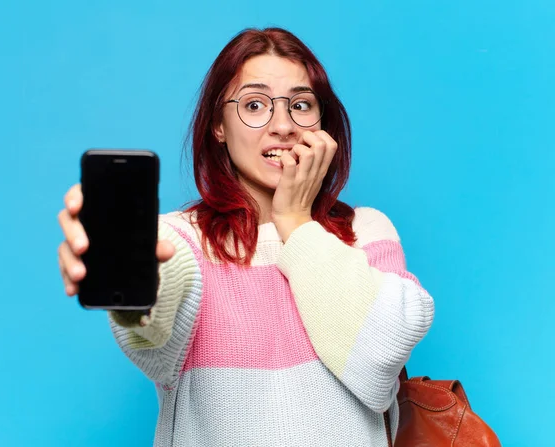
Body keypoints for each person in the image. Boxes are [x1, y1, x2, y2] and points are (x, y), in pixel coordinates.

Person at [57, 27, 434, 447]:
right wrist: (133, 277)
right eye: (255, 105)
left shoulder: (365, 231)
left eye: (301, 105)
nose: (283, 126)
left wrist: (295, 219)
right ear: (218, 126)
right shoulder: (182, 240)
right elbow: (156, 306)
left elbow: (380, 360)